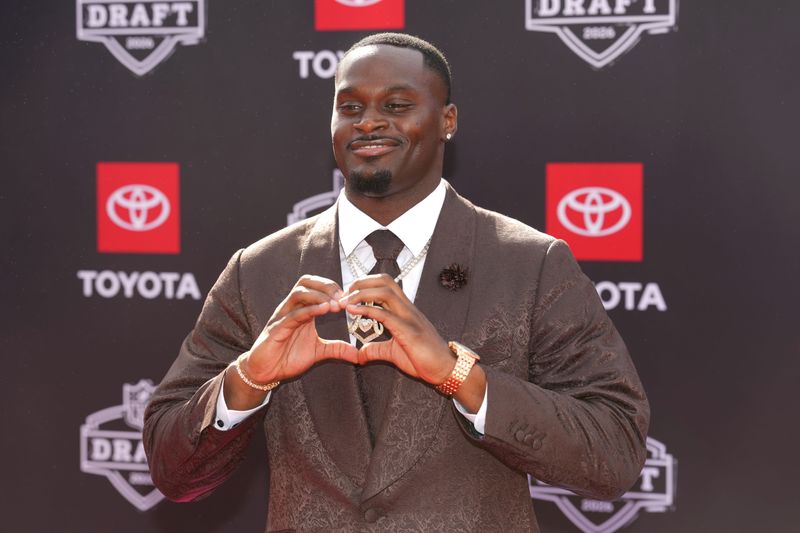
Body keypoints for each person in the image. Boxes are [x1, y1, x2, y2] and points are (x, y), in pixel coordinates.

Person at [143, 33, 649, 532]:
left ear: (447, 120)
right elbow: (171, 470)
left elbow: (614, 451)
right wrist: (251, 377)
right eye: (350, 106)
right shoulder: (260, 270)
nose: (369, 122)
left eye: (397, 103)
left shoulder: (531, 264)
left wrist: (460, 377)